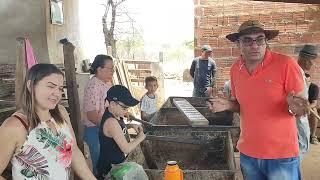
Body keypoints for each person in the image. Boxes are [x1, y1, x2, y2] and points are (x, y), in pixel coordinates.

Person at [207, 20, 309, 180]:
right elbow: (242, 106)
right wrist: (228, 105)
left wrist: (295, 108)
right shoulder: (236, 69)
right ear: (238, 44)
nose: (254, 45)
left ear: (266, 42)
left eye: (259, 39)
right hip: (249, 153)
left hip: (281, 154)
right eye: (247, 40)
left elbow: (302, 108)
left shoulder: (286, 64)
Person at [0, 64, 96, 180]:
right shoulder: (15, 126)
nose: (56, 93)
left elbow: (74, 151)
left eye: (60, 88)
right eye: (51, 86)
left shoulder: (61, 113)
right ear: (31, 86)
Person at [97, 85, 147, 180]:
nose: (126, 111)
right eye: (124, 108)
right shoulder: (111, 122)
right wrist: (140, 137)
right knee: (137, 169)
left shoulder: (116, 115)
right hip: (110, 170)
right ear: (112, 104)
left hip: (117, 163)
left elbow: (116, 132)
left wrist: (130, 126)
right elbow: (126, 149)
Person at [83, 54, 114, 175]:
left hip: (105, 128)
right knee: (98, 166)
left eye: (113, 68)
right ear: (99, 69)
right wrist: (110, 128)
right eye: (110, 68)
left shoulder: (106, 83)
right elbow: (92, 115)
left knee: (108, 164)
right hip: (95, 130)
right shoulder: (93, 85)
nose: (112, 71)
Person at [296, 45, 318, 156]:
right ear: (307, 60)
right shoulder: (296, 74)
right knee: (302, 146)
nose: (314, 65)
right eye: (314, 62)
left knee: (303, 146)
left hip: (301, 114)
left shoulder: (301, 74)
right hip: (297, 116)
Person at [306, 73, 319, 144]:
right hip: (299, 106)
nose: (306, 83)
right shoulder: (298, 86)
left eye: (308, 81)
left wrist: (307, 107)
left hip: (310, 107)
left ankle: (313, 136)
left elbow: (314, 103)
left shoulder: (314, 87)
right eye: (305, 82)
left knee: (314, 111)